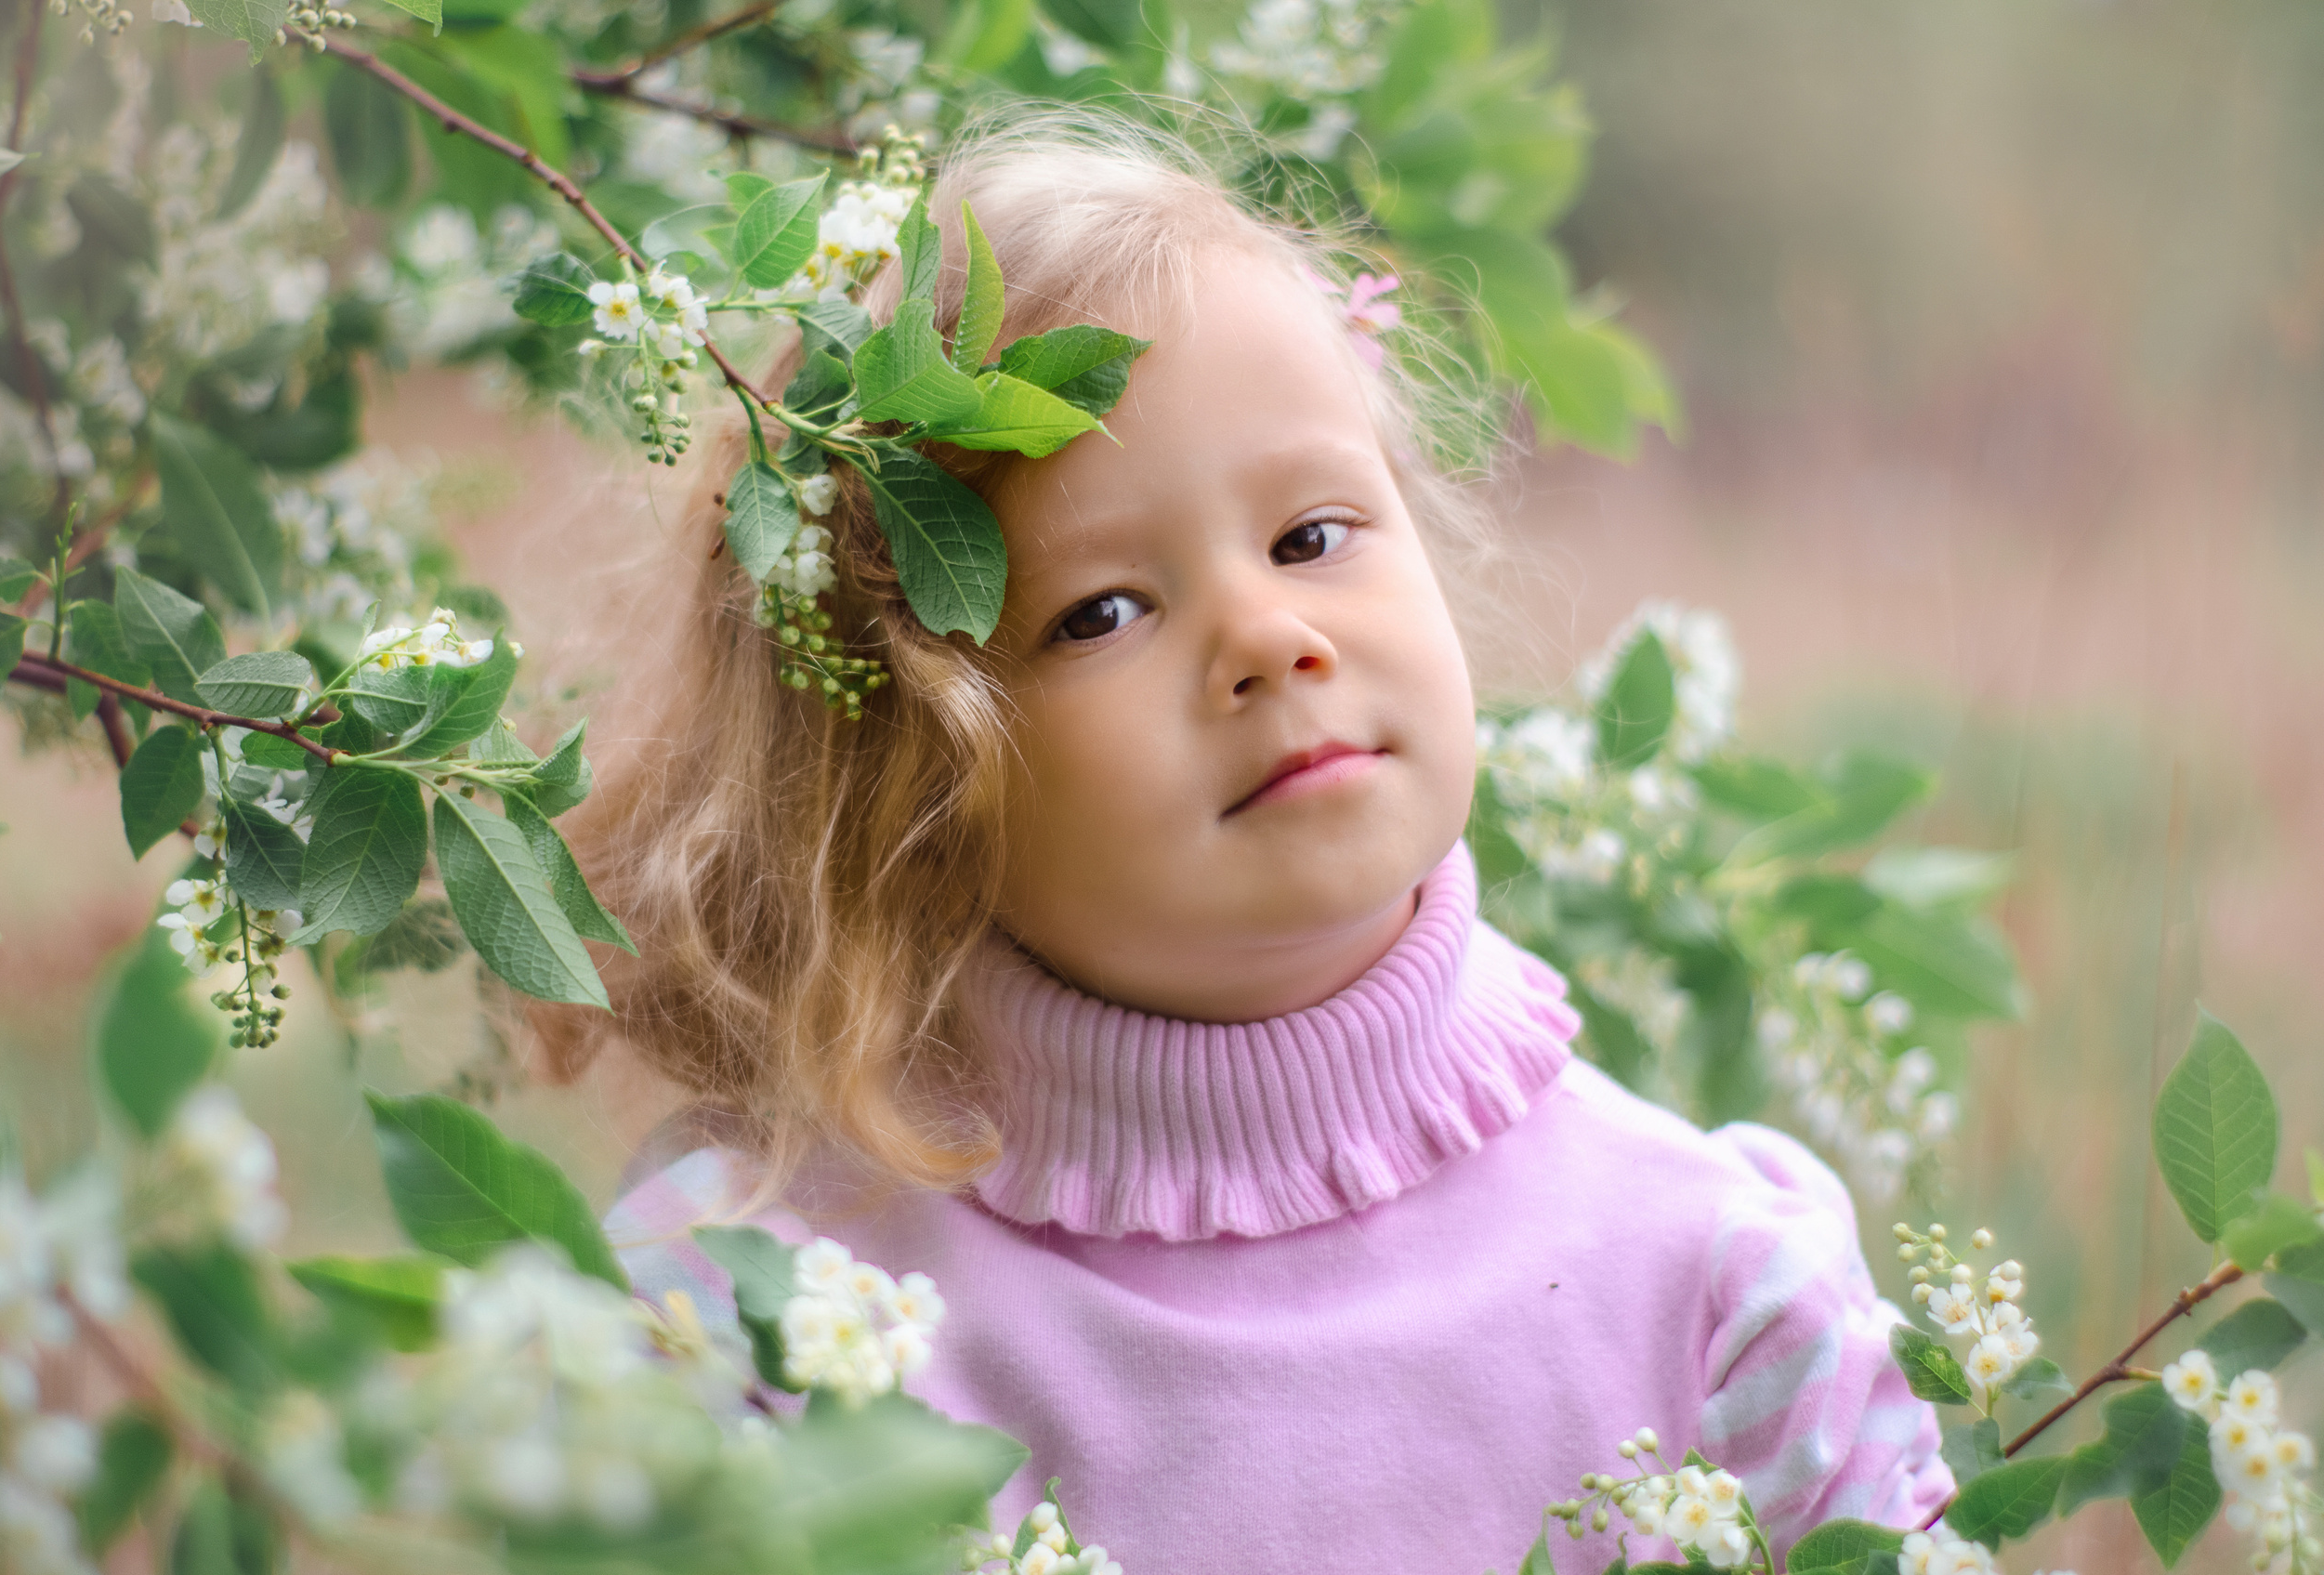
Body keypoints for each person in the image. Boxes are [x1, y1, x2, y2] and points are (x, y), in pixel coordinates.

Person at [534, 108, 1951, 1573]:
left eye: (1314, 536)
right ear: (909, 788)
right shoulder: (756, 1312)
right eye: (1101, 613)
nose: (1269, 638)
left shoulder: (1714, 1299)